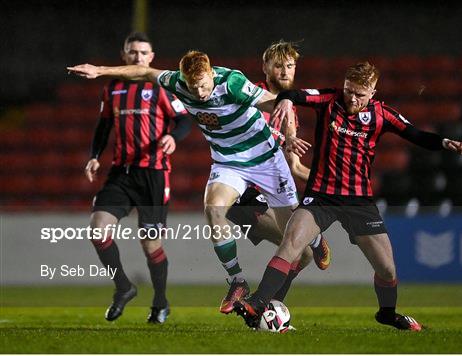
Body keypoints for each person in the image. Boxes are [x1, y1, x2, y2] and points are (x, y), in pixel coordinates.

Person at [233, 61, 462, 332]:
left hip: (359, 202)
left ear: (373, 93)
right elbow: (295, 94)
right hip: (321, 197)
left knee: (388, 270)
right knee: (292, 243)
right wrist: (285, 100)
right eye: (349, 91)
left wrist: (442, 142)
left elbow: (414, 134)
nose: (352, 98)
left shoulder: (382, 115)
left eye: (359, 94)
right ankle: (258, 302)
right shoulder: (329, 100)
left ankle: (387, 314)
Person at [68, 50, 302, 314]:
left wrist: (290, 136)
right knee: (213, 210)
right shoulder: (177, 82)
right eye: (194, 87)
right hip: (228, 162)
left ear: (211, 73)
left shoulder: (232, 83)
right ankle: (237, 281)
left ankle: (313, 242)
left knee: (292, 232)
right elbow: (144, 72)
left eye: (203, 85)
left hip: (265, 159)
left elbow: (282, 105)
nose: (200, 93)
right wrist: (99, 70)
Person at [83, 32, 191, 324]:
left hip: (153, 174)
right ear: (124, 55)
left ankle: (160, 302)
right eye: (133, 52)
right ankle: (124, 287)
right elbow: (103, 126)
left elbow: (184, 119)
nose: (138, 57)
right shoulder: (113, 89)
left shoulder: (160, 87)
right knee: (97, 230)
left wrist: (172, 137)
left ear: (151, 58)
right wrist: (94, 155)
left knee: (151, 245)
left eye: (144, 53)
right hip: (121, 172)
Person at [222, 41, 331, 314]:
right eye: (278, 65)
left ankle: (263, 306)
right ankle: (315, 239)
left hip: (270, 191)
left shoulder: (289, 107)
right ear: (265, 67)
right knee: (302, 243)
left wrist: (329, 183)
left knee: (301, 254)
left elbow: (294, 166)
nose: (284, 71)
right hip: (243, 189)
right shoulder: (252, 94)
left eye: (290, 66)